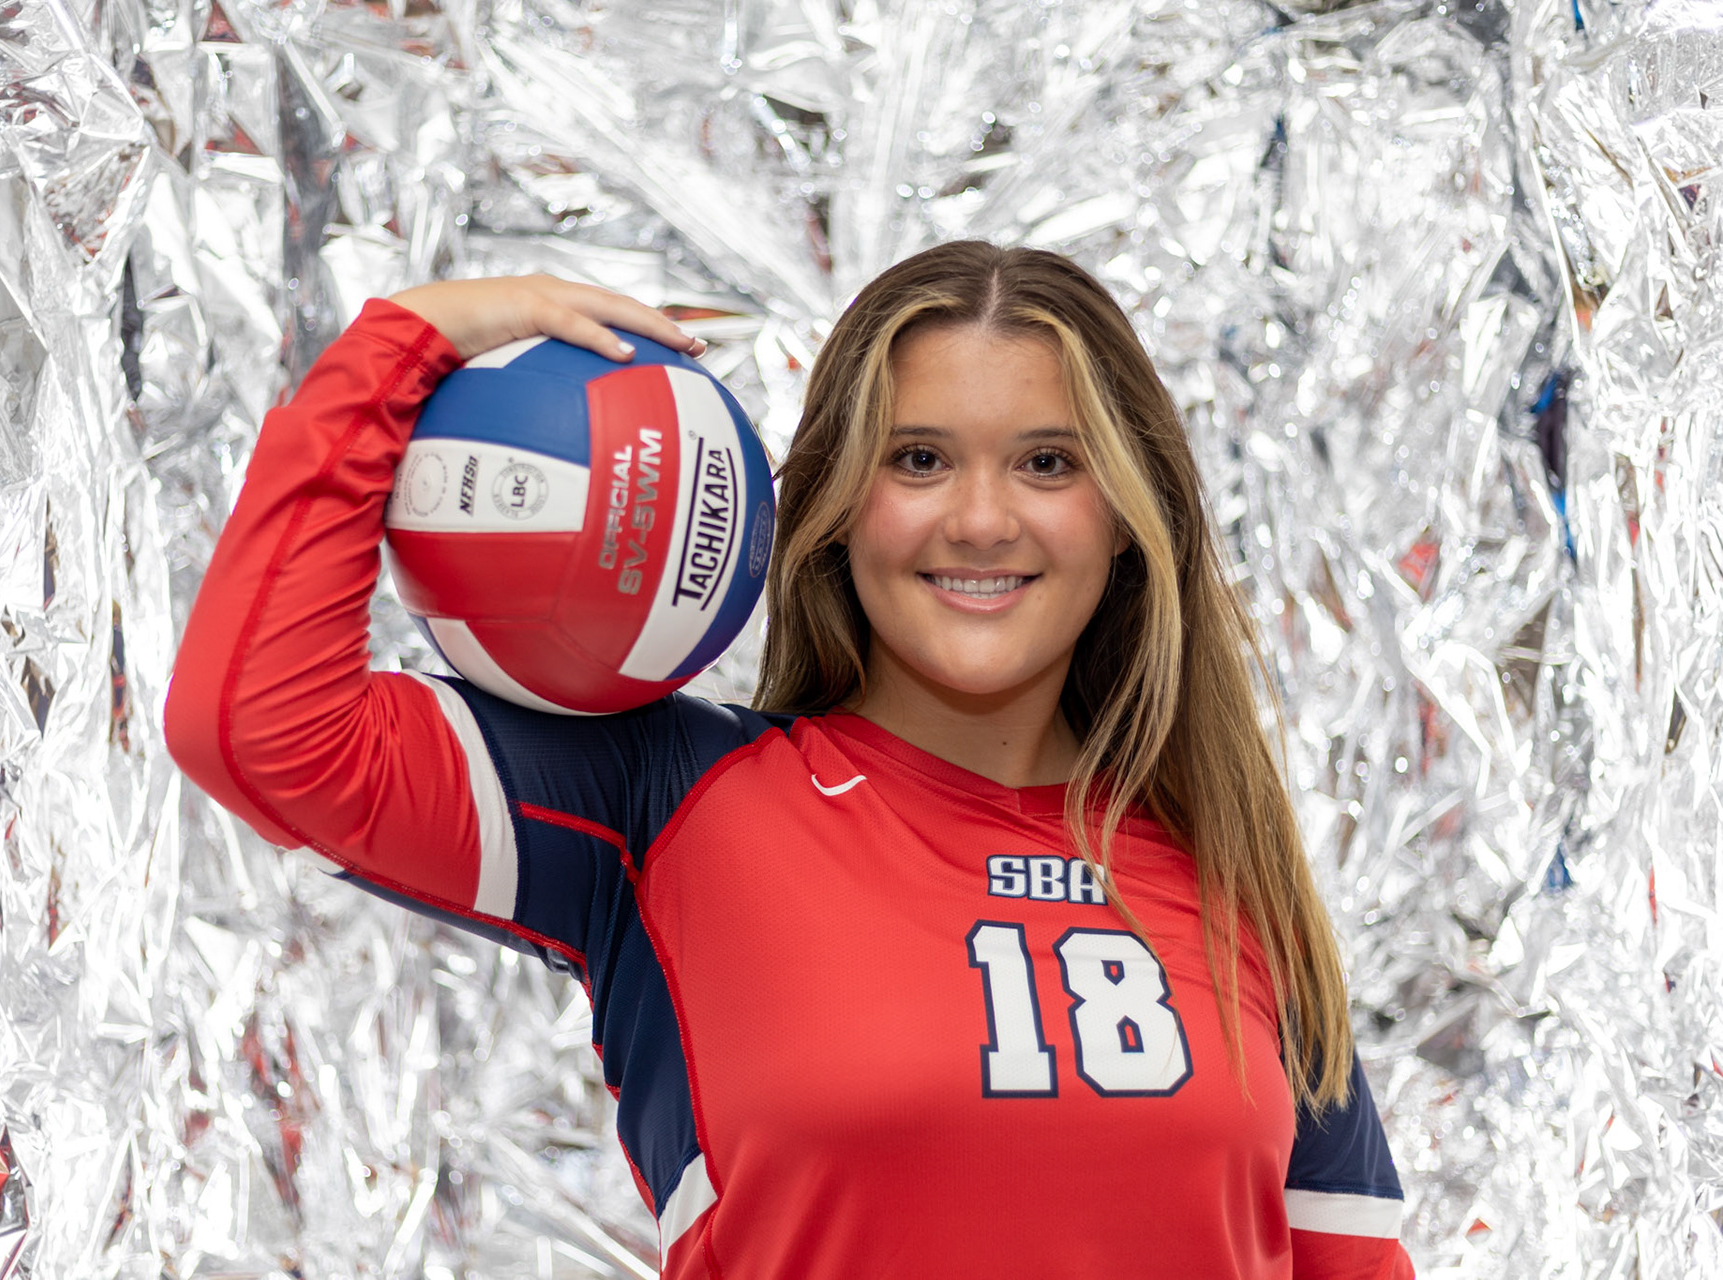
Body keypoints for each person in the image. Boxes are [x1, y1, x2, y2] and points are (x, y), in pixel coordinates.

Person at [166, 241, 1414, 1278]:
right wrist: (411, 339)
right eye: (917, 459)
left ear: (1130, 513)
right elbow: (260, 728)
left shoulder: (1232, 874)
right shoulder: (668, 805)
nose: (980, 519)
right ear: (832, 503)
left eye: (1048, 461)